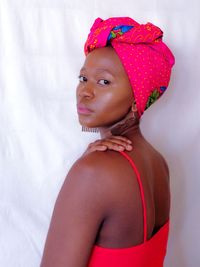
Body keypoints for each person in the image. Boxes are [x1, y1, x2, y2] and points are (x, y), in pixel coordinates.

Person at [40, 16, 175, 267]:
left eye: (104, 81)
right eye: (83, 78)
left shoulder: (94, 173)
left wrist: (87, 166)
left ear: (137, 98)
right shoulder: (158, 162)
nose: (85, 92)